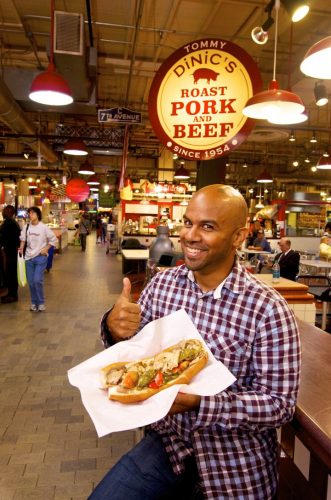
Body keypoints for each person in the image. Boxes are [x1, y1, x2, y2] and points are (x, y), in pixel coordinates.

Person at [90, 185, 301, 500]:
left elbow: (279, 406)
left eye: (208, 226)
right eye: (188, 222)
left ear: (238, 236)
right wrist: (113, 327)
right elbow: (134, 354)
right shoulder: (162, 285)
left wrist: (201, 404)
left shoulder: (268, 310)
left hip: (234, 465)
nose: (190, 235)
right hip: (168, 446)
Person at [18, 206, 57, 312]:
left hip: (40, 257)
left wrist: (46, 248)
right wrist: (21, 247)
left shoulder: (43, 227)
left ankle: (41, 302)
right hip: (28, 258)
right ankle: (34, 303)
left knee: (37, 280)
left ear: (38, 215)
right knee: (31, 282)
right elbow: (23, 239)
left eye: (32, 213)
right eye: (29, 213)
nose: (30, 215)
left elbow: (53, 239)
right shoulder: (26, 227)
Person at [0, 205, 21, 303]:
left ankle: (12, 295)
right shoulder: (12, 222)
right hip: (11, 252)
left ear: (9, 212)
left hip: (10, 253)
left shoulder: (9, 223)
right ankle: (11, 294)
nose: (2, 213)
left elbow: (4, 238)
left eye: (4, 211)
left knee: (11, 274)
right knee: (10, 274)